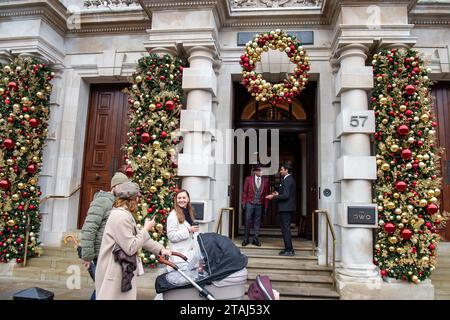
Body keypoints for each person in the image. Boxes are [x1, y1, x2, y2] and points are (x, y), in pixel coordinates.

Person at [95, 182, 171, 300]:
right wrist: (146, 228)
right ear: (131, 199)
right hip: (114, 272)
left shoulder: (125, 214)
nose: (139, 200)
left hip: (121, 270)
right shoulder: (120, 216)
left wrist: (161, 249)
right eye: (138, 197)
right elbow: (131, 247)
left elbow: (140, 238)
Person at [80, 171, 129, 300]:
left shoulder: (120, 204)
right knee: (103, 289)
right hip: (99, 254)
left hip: (111, 254)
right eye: (122, 185)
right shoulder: (102, 201)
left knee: (104, 289)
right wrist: (87, 256)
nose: (124, 189)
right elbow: (89, 229)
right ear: (114, 187)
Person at [266, 163, 296, 256]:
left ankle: (289, 250)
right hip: (285, 208)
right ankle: (288, 248)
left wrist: (274, 196)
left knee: (286, 229)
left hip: (285, 209)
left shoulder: (288, 180)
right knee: (284, 229)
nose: (280, 171)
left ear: (286, 170)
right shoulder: (287, 179)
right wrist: (277, 193)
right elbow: (284, 192)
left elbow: (286, 196)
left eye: (282, 169)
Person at [166, 189, 199, 270]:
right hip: (180, 257)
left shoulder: (189, 212)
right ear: (176, 200)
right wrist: (188, 230)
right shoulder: (173, 215)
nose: (181, 200)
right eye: (179, 198)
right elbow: (171, 236)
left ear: (188, 199)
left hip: (190, 254)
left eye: (184, 198)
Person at [241, 164, 269, 247]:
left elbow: (266, 194)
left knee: (257, 222)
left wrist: (266, 206)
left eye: (261, 170)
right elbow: (245, 192)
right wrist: (243, 203)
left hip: (259, 204)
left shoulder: (265, 180)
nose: (261, 172)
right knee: (247, 221)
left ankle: (255, 239)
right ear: (255, 171)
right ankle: (246, 239)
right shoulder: (248, 179)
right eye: (260, 170)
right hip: (249, 203)